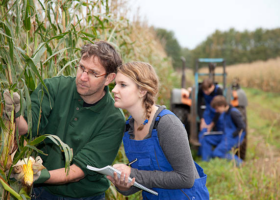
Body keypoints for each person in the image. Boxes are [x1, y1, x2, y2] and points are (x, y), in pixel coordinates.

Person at [4, 41, 125, 199]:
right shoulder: (53, 88)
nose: (82, 77)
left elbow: (77, 172)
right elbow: (26, 128)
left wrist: (36, 175)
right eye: (81, 67)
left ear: (109, 78)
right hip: (43, 193)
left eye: (93, 73)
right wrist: (14, 113)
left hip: (85, 196)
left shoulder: (113, 118)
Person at [108, 61, 209, 200]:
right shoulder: (129, 128)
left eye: (123, 85)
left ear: (142, 91)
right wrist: (124, 185)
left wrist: (133, 173)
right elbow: (146, 179)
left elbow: (186, 178)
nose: (114, 90)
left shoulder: (167, 124)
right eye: (116, 84)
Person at [201, 95, 245, 165]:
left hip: (233, 137)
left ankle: (240, 163)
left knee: (217, 152)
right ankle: (206, 162)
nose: (216, 110)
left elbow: (242, 127)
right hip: (225, 135)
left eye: (216, 108)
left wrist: (233, 134)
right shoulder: (224, 113)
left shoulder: (234, 113)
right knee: (206, 138)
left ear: (222, 105)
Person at [197, 78, 224, 159]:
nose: (206, 93)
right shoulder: (201, 89)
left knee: (221, 131)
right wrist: (202, 120)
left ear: (212, 86)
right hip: (208, 112)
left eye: (207, 91)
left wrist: (211, 125)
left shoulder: (219, 90)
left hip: (218, 112)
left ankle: (219, 153)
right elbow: (198, 104)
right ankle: (204, 156)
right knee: (204, 131)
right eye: (204, 91)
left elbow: (219, 110)